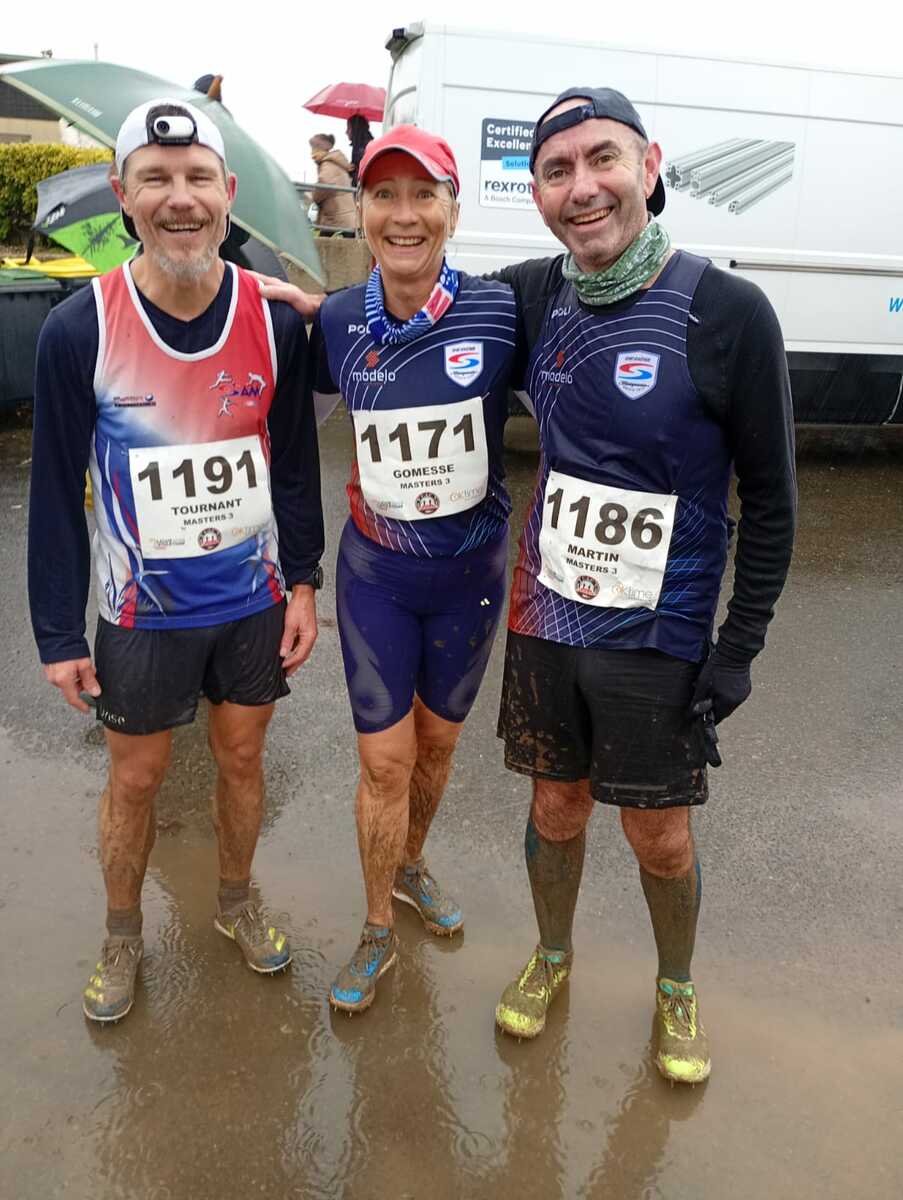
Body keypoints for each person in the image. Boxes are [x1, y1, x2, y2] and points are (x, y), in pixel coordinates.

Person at [490, 89, 796, 1082]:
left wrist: (737, 650)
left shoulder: (728, 311)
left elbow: (774, 501)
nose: (582, 188)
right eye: (556, 170)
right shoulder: (533, 295)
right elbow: (415, 313)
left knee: (658, 834)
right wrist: (294, 304)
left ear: (649, 165)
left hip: (659, 637)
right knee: (555, 809)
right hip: (548, 617)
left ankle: (675, 986)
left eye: (602, 159)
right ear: (537, 192)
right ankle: (552, 954)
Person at [28, 98, 325, 1023]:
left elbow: (295, 468)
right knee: (136, 777)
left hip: (250, 602)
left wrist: (304, 581)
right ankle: (122, 934)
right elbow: (52, 494)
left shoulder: (273, 323)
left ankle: (235, 901)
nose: (180, 197)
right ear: (124, 196)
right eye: (155, 179)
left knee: (242, 760)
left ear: (228, 193)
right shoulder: (80, 328)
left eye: (198, 177)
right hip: (140, 614)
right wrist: (56, 634)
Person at [313, 126, 518, 1013]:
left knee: (436, 747)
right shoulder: (332, 321)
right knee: (385, 763)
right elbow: (285, 426)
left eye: (422, 195)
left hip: (471, 574)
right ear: (360, 211)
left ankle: (410, 865)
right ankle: (373, 928)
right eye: (383, 196)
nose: (404, 215)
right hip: (379, 575)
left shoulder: (500, 311)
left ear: (452, 211)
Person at [308, 133, 357, 234]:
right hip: (343, 215)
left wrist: (313, 196)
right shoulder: (335, 162)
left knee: (322, 242)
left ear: (320, 150)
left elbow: (324, 185)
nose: (311, 154)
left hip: (336, 216)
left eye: (313, 149)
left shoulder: (327, 165)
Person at [346, 114, 373, 186]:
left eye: (348, 128)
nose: (346, 132)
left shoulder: (363, 148)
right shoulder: (360, 146)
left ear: (355, 129)